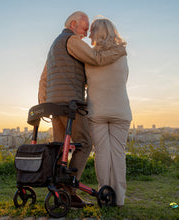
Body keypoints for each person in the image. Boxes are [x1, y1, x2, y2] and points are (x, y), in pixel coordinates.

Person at [38, 11, 126, 208]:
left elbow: (44, 77)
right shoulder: (71, 40)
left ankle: (59, 191)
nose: (86, 34)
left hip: (54, 104)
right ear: (73, 24)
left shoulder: (55, 45)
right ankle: (69, 189)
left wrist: (43, 102)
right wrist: (120, 51)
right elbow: (95, 58)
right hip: (70, 104)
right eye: (85, 29)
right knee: (84, 143)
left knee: (60, 149)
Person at [85, 18, 132, 207]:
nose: (89, 35)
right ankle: (119, 199)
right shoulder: (122, 54)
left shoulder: (90, 56)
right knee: (118, 154)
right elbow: (124, 79)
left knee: (102, 154)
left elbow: (85, 81)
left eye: (91, 31)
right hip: (121, 110)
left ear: (98, 33)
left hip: (97, 111)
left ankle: (105, 196)